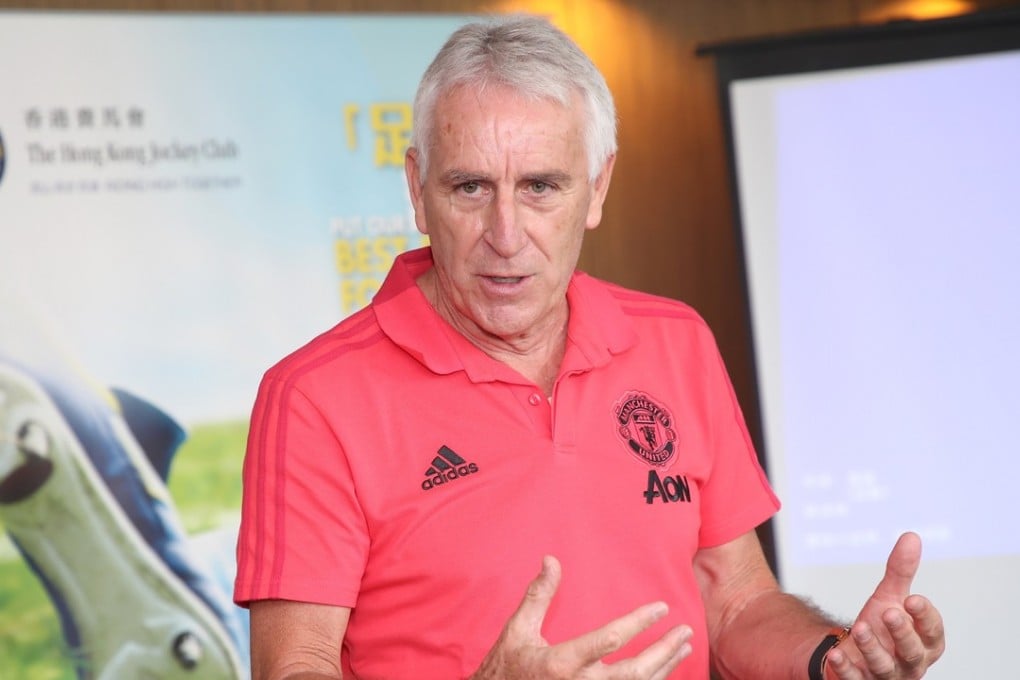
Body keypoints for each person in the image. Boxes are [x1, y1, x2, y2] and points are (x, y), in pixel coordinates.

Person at [233, 14, 945, 680]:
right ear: (418, 192)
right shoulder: (314, 397)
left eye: (541, 186)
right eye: (470, 187)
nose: (505, 234)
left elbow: (734, 602)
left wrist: (834, 659)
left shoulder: (677, 341)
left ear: (597, 188)